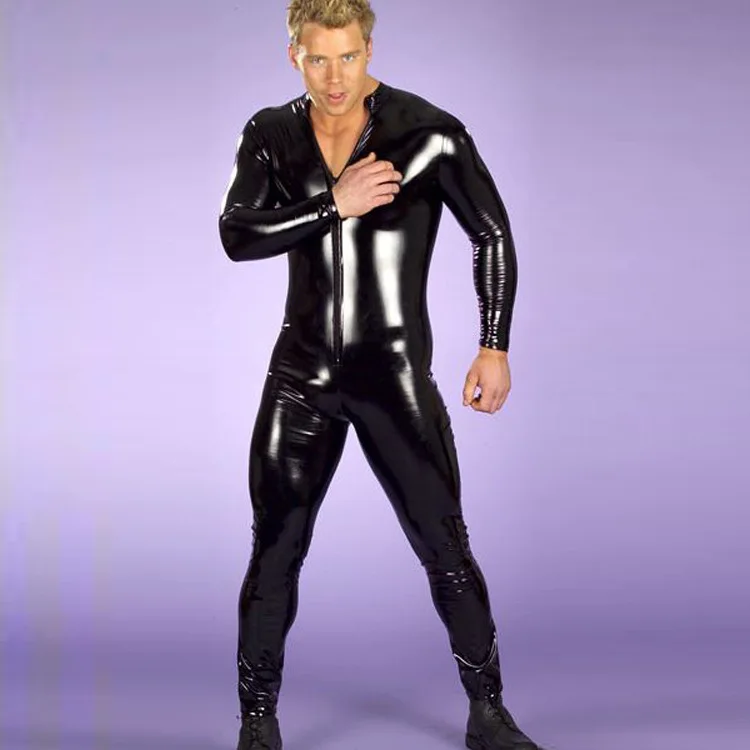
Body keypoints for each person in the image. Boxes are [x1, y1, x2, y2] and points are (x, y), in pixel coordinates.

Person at [219, 2, 547, 749]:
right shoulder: (269, 133)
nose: (335, 77)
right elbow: (236, 234)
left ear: (369, 48)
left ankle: (488, 713)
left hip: (392, 376)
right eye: (318, 59)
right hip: (300, 377)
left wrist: (494, 344)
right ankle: (257, 723)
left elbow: (491, 232)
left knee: (445, 548)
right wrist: (331, 205)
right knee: (274, 552)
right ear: (294, 56)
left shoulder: (427, 132)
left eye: (348, 57)